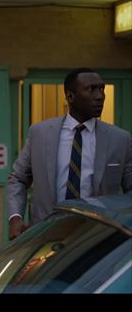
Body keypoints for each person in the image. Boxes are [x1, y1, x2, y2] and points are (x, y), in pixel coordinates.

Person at [7, 67, 132, 240]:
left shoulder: (120, 139)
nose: (100, 96)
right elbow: (18, 179)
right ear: (70, 97)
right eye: (91, 89)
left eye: (101, 88)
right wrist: (15, 217)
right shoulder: (40, 133)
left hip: (97, 237)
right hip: (46, 234)